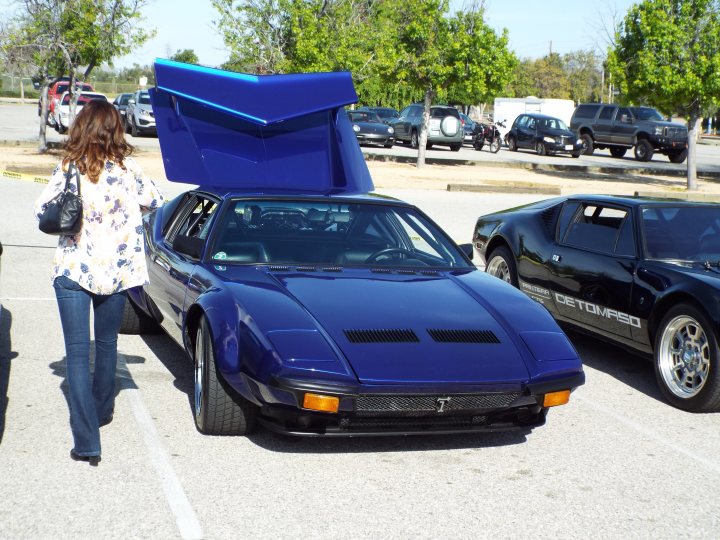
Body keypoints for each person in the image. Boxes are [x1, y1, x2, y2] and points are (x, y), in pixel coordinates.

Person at [34, 99, 163, 466]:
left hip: (74, 270)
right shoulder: (130, 170)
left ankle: (87, 440)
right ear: (115, 129)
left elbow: (40, 211)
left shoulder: (69, 167)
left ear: (81, 128)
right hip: (117, 273)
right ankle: (102, 409)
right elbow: (155, 200)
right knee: (107, 345)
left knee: (76, 354)